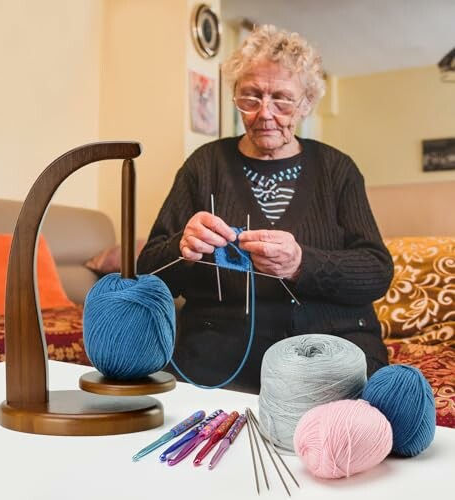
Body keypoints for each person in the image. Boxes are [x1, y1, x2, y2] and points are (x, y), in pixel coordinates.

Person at [137, 25, 393, 393]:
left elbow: (377, 270)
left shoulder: (338, 169)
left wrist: (302, 263)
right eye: (250, 97)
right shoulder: (204, 164)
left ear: (306, 103)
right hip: (219, 351)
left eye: (282, 99)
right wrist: (182, 247)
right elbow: (148, 274)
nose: (265, 113)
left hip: (331, 343)